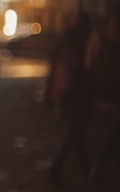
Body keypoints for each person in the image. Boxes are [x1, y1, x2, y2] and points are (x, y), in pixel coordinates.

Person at [46, 11, 93, 187]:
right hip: (77, 94)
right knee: (76, 135)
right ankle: (56, 171)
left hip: (71, 94)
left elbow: (55, 71)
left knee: (78, 136)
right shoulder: (81, 41)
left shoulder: (67, 40)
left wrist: (51, 95)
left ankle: (87, 172)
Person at [85, 3, 120, 185]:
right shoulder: (99, 36)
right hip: (105, 91)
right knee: (112, 133)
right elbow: (89, 64)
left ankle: (100, 169)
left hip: (112, 92)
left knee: (113, 133)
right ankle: (98, 168)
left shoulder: (101, 35)